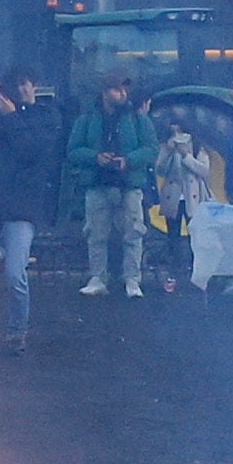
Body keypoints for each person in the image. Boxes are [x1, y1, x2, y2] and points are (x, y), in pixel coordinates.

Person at [0, 70, 65, 353]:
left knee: (15, 274)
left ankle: (17, 332)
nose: (18, 90)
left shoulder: (46, 115)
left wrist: (11, 117)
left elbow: (32, 151)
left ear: (34, 85)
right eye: (12, 85)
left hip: (21, 207)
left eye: (22, 84)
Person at [64, 72, 158, 296]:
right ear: (105, 92)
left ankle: (131, 279)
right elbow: (72, 151)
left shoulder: (137, 119)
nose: (123, 93)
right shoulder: (88, 119)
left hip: (126, 184)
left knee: (132, 234)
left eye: (125, 89)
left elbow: (152, 149)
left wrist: (128, 160)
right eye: (117, 89)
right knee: (97, 234)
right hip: (100, 184)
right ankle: (100, 277)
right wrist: (96, 157)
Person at [151, 112, 221, 289]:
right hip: (174, 197)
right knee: (173, 235)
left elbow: (204, 171)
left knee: (195, 234)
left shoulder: (198, 148)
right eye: (173, 132)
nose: (177, 136)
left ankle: (195, 269)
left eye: (180, 132)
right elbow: (160, 170)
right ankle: (175, 270)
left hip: (193, 197)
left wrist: (186, 156)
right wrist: (168, 152)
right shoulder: (167, 149)